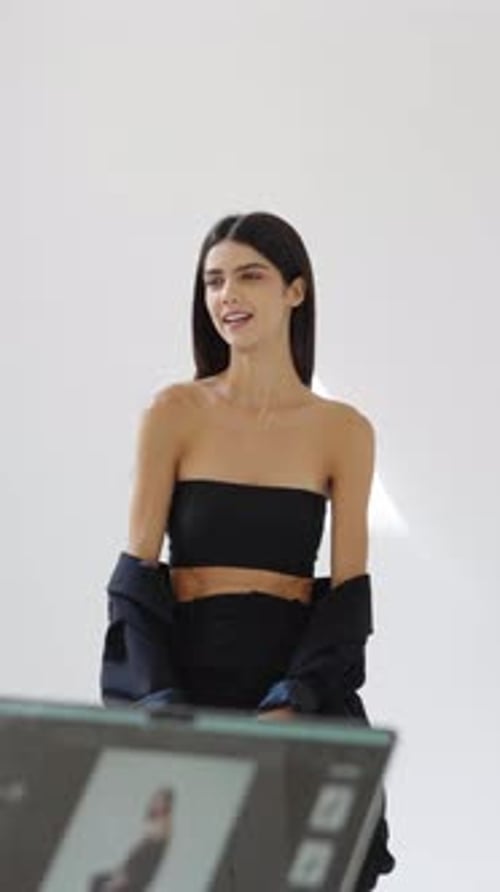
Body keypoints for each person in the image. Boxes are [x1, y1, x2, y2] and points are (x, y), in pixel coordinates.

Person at [100, 211, 396, 889]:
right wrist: (162, 708)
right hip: (186, 676)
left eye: (249, 276)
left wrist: (294, 699)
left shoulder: (343, 431)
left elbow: (349, 594)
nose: (227, 296)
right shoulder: (173, 412)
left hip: (292, 677)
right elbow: (134, 581)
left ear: (296, 290)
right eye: (213, 282)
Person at [89, 787, 174, 891]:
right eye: (155, 799)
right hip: (131, 873)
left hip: (135, 877)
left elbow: (146, 858)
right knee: (98, 880)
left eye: (160, 801)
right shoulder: (155, 826)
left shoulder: (163, 825)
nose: (155, 803)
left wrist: (123, 877)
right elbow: (137, 853)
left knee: (100, 883)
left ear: (167, 804)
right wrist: (120, 871)